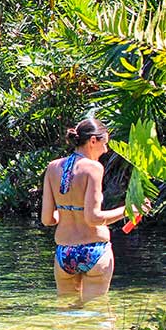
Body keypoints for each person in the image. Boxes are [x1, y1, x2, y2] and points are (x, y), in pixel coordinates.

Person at [40, 119, 136, 301]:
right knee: (95, 314)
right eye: (104, 143)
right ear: (93, 141)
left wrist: (68, 212)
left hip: (64, 254)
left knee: (66, 314)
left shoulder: (52, 168)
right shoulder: (93, 168)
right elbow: (93, 218)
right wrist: (127, 210)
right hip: (94, 251)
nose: (106, 150)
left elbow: (47, 219)